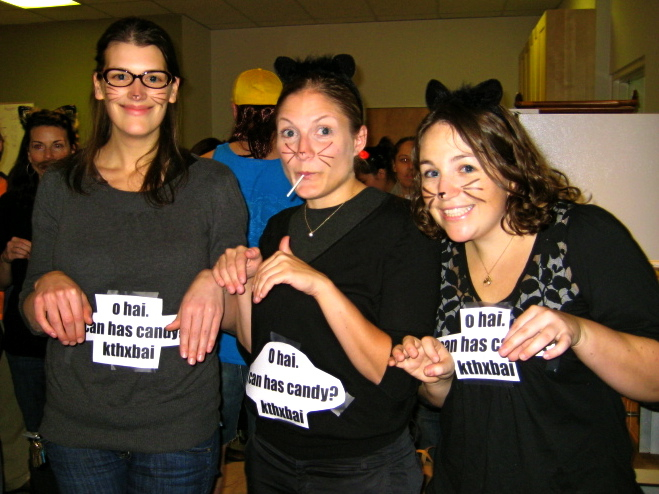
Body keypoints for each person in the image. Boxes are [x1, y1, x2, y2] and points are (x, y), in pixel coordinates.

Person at [390, 78, 659, 493]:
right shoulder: (436, 257)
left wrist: (579, 331)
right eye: (431, 172)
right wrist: (436, 378)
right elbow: (455, 399)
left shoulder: (583, 236)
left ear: (510, 171)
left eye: (466, 167)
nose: (444, 189)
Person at [19, 17, 247, 494]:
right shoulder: (60, 184)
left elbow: (235, 316)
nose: (137, 91)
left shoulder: (214, 185)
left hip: (177, 430)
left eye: (153, 77)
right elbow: (29, 311)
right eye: (121, 75)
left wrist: (215, 281)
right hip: (78, 429)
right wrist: (45, 285)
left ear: (173, 89)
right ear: (99, 86)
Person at [213, 54, 441, 493]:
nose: (303, 150)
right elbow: (258, 347)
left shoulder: (405, 227)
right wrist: (240, 282)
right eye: (289, 133)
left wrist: (321, 287)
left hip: (359, 467)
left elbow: (396, 376)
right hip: (271, 454)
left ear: (359, 139)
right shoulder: (280, 227)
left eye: (323, 131)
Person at [205, 67, 303, 489]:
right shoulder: (301, 164)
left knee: (214, 439)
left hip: (226, 324)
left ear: (234, 109)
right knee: (274, 442)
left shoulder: (210, 164)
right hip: (281, 323)